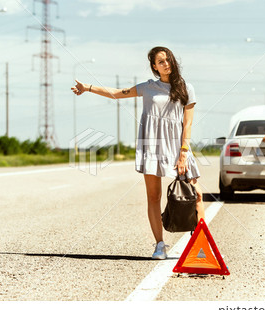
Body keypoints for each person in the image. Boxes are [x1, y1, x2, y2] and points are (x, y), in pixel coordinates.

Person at [71, 46, 204, 260]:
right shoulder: (147, 87)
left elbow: (187, 124)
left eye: (168, 59)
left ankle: (200, 244)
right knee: (154, 196)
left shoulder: (186, 87)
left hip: (176, 147)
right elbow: (115, 94)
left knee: (196, 195)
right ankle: (160, 245)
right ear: (154, 66)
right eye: (160, 61)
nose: (166, 63)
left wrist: (183, 153)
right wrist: (87, 87)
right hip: (151, 145)